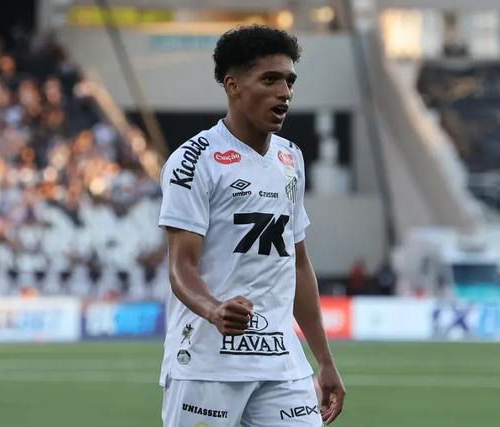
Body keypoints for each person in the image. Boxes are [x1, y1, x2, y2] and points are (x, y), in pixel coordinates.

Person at [158, 25, 345, 427]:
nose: (285, 92)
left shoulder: (290, 159)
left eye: (289, 81)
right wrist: (214, 310)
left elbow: (298, 264)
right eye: (270, 80)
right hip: (207, 364)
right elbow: (181, 266)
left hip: (281, 364)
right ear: (233, 86)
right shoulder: (194, 161)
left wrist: (324, 359)